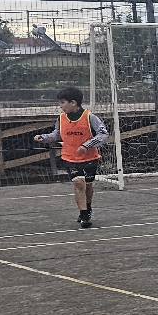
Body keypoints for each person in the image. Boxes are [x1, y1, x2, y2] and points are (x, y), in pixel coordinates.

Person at [32, 86, 108, 229]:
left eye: (62, 102)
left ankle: (88, 207)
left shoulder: (90, 117)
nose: (60, 106)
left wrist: (86, 145)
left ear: (73, 102)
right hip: (70, 158)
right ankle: (84, 215)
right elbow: (56, 135)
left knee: (89, 186)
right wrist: (44, 138)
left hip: (90, 158)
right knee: (79, 183)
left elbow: (103, 134)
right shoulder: (61, 119)